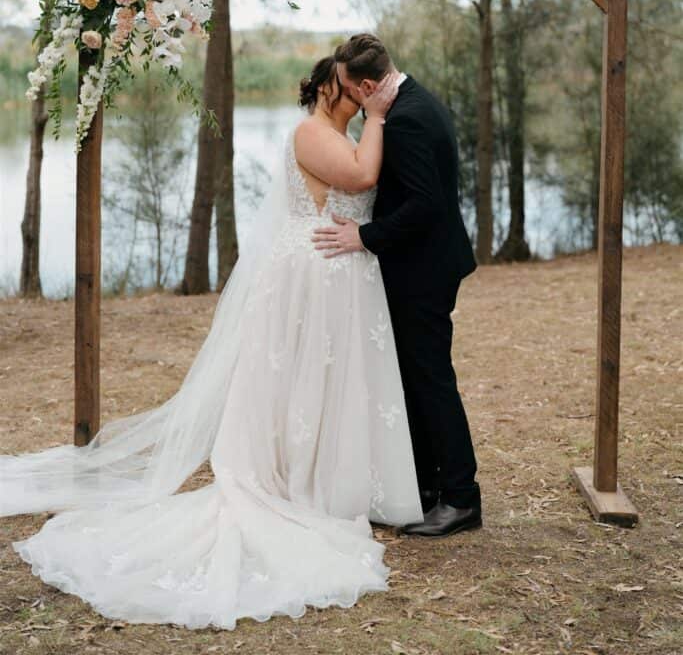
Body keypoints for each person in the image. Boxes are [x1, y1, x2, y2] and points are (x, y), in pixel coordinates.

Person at [0, 56, 424, 630]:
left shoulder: (341, 131)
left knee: (333, 381)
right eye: (348, 90)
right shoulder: (313, 133)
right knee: (302, 380)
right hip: (312, 273)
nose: (356, 96)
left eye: (359, 91)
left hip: (341, 275)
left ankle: (333, 475)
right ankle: (295, 478)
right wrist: (378, 116)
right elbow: (361, 179)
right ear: (330, 90)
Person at [313, 34, 481, 538]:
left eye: (346, 89)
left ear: (367, 85)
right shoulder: (413, 98)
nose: (344, 97)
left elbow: (424, 205)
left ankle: (460, 498)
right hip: (425, 263)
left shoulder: (405, 119)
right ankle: (427, 488)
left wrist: (363, 236)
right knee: (414, 378)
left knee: (430, 379)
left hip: (423, 269)